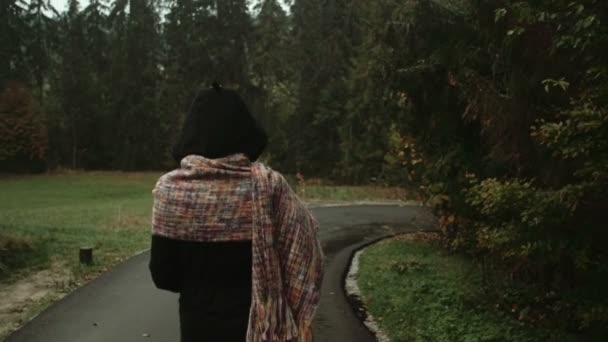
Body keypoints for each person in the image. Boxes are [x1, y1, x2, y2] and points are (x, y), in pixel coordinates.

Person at [149, 83, 324, 342]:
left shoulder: (171, 190)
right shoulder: (269, 185)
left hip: (198, 327)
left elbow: (163, 275)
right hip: (263, 329)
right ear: (244, 132)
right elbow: (302, 252)